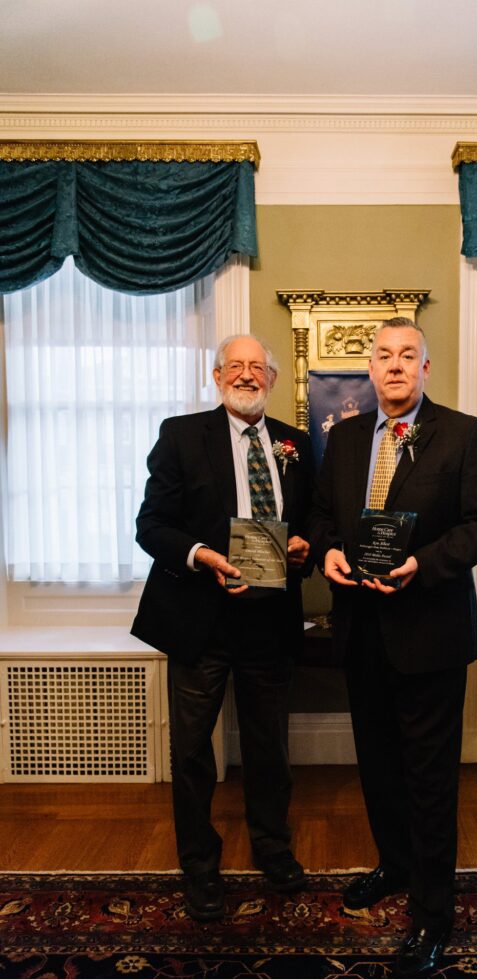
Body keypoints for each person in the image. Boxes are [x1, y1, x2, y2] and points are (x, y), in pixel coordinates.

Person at [308, 317, 477, 979]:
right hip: (360, 633)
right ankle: (394, 865)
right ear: (370, 368)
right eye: (384, 356)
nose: (395, 366)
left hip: (429, 635)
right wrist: (331, 552)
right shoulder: (343, 440)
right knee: (380, 768)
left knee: (428, 780)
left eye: (408, 356)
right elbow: (320, 518)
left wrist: (425, 564)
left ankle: (432, 913)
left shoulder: (460, 433)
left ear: (425, 368)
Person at [132, 334, 314, 921]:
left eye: (257, 367)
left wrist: (306, 545)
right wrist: (203, 554)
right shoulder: (181, 435)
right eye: (235, 366)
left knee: (269, 748)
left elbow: (310, 522)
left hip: (269, 621)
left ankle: (272, 848)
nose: (246, 375)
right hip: (198, 620)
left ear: (273, 380)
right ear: (216, 377)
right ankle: (200, 865)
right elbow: (151, 525)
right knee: (191, 753)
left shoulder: (298, 442)